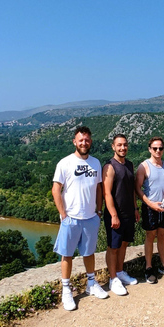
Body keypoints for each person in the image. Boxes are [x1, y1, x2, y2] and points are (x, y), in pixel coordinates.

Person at [52, 125, 108, 311]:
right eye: (80, 140)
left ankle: (91, 284)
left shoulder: (96, 163)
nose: (84, 143)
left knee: (89, 252)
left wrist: (98, 212)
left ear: (90, 141)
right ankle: (66, 290)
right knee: (67, 254)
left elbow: (99, 188)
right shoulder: (65, 163)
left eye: (87, 140)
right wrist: (63, 215)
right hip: (71, 218)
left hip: (90, 217)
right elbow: (56, 190)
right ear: (74, 142)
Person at [102, 134, 140, 296]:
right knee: (113, 247)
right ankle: (113, 279)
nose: (122, 148)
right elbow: (107, 193)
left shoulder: (130, 165)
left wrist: (135, 208)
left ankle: (119, 271)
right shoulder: (109, 166)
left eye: (124, 145)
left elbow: (131, 190)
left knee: (124, 244)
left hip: (128, 213)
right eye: (119, 145)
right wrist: (113, 215)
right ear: (113, 147)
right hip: (115, 214)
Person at [135, 136, 164, 283]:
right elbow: (137, 189)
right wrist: (149, 204)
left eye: (160, 148)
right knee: (150, 236)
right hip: (150, 208)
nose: (158, 151)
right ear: (150, 149)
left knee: (163, 235)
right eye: (155, 148)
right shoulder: (143, 166)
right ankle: (148, 267)